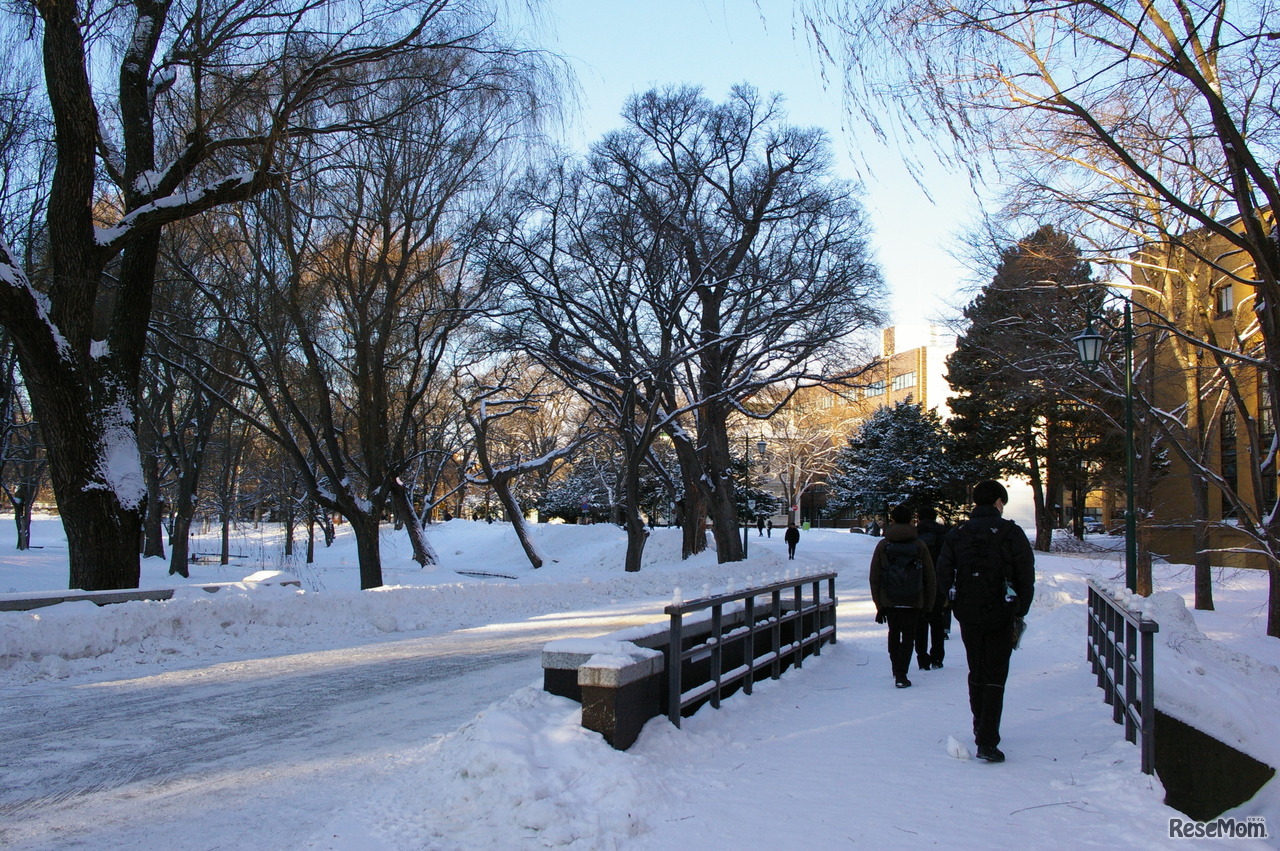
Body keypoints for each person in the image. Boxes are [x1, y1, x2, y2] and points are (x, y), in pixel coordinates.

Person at [936, 480, 1035, 763]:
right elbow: (1025, 574)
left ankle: (980, 725)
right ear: (998, 502)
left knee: (976, 668)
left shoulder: (958, 533)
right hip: (1002, 611)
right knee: (996, 673)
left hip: (969, 611)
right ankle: (988, 739)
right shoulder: (1011, 533)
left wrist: (955, 601)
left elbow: (944, 571)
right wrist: (1021, 609)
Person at [869, 504, 936, 689]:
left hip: (890, 598)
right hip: (914, 598)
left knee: (893, 632)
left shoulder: (884, 545)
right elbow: (929, 577)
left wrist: (879, 603)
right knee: (909, 636)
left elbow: (874, 576)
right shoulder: (919, 545)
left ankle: (895, 667)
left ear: (893, 520)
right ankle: (902, 673)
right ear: (911, 520)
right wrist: (928, 604)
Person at [914, 506, 949, 670]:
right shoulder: (943, 534)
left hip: (918, 582)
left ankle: (922, 657)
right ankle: (937, 657)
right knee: (937, 620)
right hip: (938, 580)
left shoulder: (915, 534)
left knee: (920, 622)